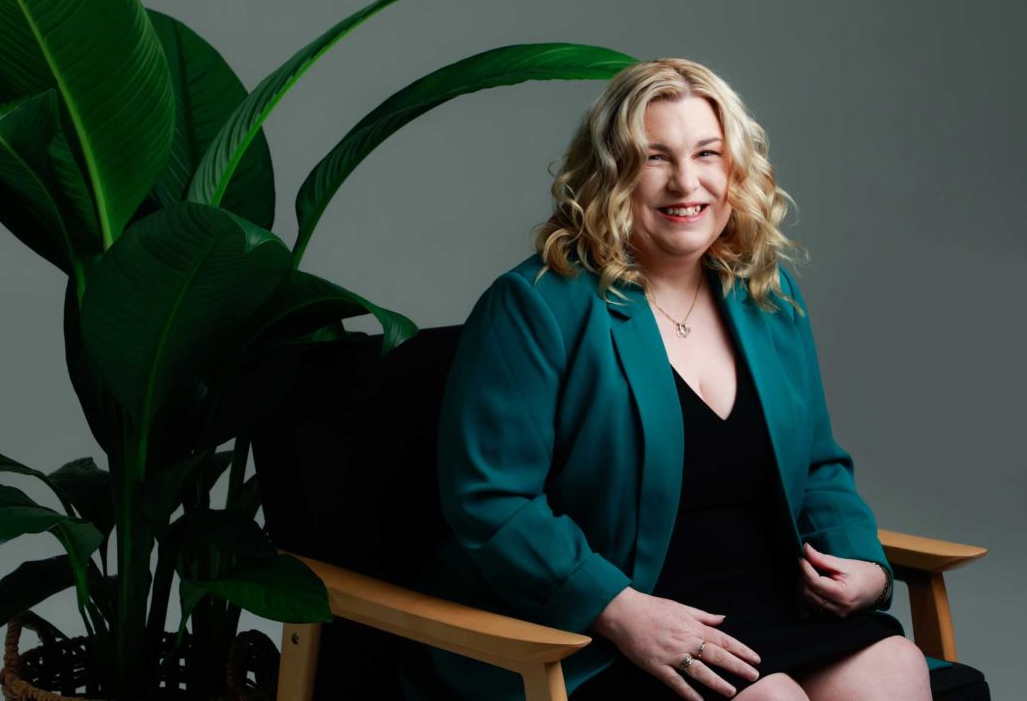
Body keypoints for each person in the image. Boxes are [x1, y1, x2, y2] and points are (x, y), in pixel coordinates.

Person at [399, 58, 931, 701]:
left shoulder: (767, 295)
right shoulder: (536, 304)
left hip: (761, 597)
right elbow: (493, 502)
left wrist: (865, 564)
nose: (686, 183)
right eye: (655, 158)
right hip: (599, 622)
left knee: (897, 669)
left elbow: (817, 465)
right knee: (773, 700)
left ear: (735, 168)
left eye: (707, 153)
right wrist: (618, 610)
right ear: (610, 175)